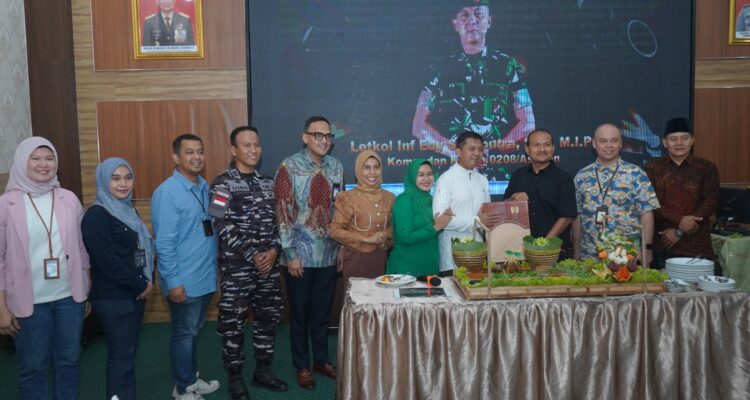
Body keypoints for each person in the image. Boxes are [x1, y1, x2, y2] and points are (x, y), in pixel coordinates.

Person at [0, 137, 91, 399]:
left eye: (49, 158)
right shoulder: (6, 204)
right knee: (33, 368)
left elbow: (81, 248)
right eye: (36, 158)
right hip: (29, 303)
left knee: (69, 361)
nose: (44, 164)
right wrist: (1, 307)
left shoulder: (68, 198)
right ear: (22, 161)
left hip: (69, 298)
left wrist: (85, 289)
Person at [209, 126, 287, 400]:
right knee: (233, 324)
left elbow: (280, 222)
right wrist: (252, 254)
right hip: (237, 270)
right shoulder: (222, 184)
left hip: (268, 268)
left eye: (256, 145)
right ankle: (235, 378)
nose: (253, 150)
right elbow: (220, 223)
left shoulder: (268, 183)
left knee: (268, 319)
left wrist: (275, 250)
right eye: (246, 145)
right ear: (234, 150)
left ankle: (263, 371)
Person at [412, 0, 535, 158]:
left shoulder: (508, 66)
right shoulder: (439, 70)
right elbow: (419, 126)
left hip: (496, 163)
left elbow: (528, 122)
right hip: (452, 164)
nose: (472, 21)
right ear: (455, 24)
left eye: (478, 14)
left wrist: (493, 151)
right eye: (464, 15)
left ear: (489, 21)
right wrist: (452, 152)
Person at [274, 116, 343, 390]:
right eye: (318, 135)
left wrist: (341, 247)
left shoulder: (336, 167)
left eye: (328, 136)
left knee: (322, 312)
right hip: (299, 256)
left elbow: (339, 209)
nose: (324, 140)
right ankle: (302, 366)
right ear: (305, 138)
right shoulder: (289, 167)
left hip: (328, 253)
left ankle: (321, 361)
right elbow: (282, 213)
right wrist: (290, 253)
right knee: (300, 314)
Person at [151, 134, 220, 400]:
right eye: (189, 152)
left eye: (200, 151)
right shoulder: (167, 193)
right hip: (184, 281)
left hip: (205, 276)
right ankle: (182, 389)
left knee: (192, 333)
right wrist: (172, 281)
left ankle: (191, 379)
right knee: (183, 335)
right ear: (176, 157)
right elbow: (164, 243)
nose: (197, 157)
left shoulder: (203, 186)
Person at [82, 157, 155, 400]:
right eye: (115, 178)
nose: (123, 184)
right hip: (114, 297)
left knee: (126, 354)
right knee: (121, 357)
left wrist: (145, 281)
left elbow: (136, 251)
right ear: (103, 181)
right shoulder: (97, 215)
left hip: (132, 294)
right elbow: (107, 261)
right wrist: (140, 283)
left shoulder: (126, 208)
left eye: (127, 177)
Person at [572, 124, 660, 265]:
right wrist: (576, 251)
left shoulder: (636, 174)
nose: (609, 145)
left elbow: (647, 213)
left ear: (620, 144)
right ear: (594, 143)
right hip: (589, 255)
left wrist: (647, 248)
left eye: (614, 141)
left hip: (627, 255)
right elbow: (577, 215)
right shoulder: (582, 176)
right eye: (603, 141)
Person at [645, 118, 720, 269]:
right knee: (660, 284)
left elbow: (710, 202)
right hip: (663, 243)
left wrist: (679, 231)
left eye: (684, 138)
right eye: (673, 139)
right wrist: (679, 221)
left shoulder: (707, 167)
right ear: (665, 142)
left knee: (699, 285)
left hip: (696, 245)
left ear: (692, 140)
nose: (679, 143)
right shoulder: (652, 168)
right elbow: (651, 202)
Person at [503, 129, 577, 259]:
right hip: (520, 252)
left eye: (547, 145)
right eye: (536, 145)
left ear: (553, 148)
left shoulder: (563, 178)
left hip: (553, 252)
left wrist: (543, 245)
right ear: (527, 149)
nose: (542, 149)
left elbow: (567, 216)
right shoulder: (518, 176)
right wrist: (512, 198)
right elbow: (504, 206)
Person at [432, 131, 496, 275]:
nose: (477, 153)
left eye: (480, 149)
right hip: (453, 259)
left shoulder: (483, 180)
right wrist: (476, 220)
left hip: (479, 256)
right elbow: (441, 220)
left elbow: (486, 217)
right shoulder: (446, 180)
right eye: (472, 149)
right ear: (458, 151)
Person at [331, 151, 395, 281]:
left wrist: (385, 234)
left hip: (382, 258)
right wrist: (366, 239)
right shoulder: (348, 198)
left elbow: (397, 227)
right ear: (359, 171)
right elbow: (335, 231)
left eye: (376, 167)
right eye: (367, 168)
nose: (372, 172)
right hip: (356, 258)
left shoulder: (390, 197)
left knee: (381, 293)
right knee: (359, 293)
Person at [387, 159, 453, 276]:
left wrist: (445, 219)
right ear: (412, 177)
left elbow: (436, 230)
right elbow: (405, 237)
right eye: (421, 175)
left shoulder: (432, 200)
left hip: (429, 268)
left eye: (429, 174)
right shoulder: (405, 200)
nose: (426, 179)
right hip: (406, 270)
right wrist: (435, 227)